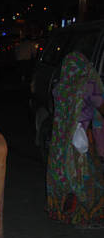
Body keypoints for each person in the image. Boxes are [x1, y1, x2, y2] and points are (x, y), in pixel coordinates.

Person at [46, 51, 104, 227]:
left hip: (61, 141)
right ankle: (85, 215)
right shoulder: (88, 86)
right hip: (82, 140)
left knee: (65, 174)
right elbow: (102, 107)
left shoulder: (59, 88)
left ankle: (62, 212)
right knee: (86, 176)